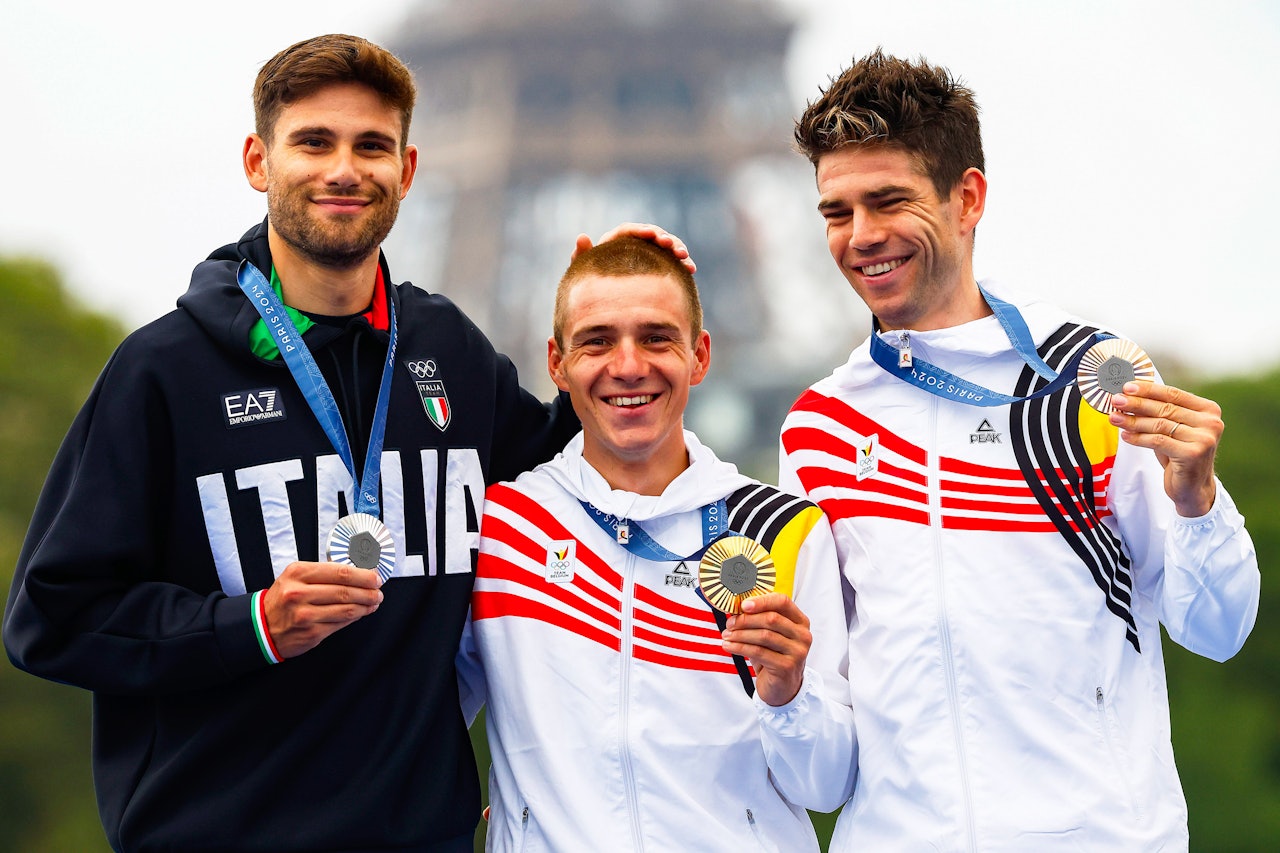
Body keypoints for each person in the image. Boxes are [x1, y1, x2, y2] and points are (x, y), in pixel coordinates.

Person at [2, 34, 686, 852]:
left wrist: (621, 327)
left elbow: (580, 474)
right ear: (259, 161)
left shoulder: (449, 353)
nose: (344, 169)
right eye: (313, 142)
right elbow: (51, 617)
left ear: (409, 167)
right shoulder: (163, 372)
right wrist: (250, 624)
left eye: (371, 145)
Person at [779, 49, 1261, 851]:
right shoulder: (817, 429)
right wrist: (784, 694)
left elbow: (1217, 629)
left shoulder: (1091, 375)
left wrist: (1198, 503)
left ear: (967, 198)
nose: (861, 236)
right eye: (837, 211)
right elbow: (825, 771)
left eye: (888, 200)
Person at [455, 236, 857, 851]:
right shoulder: (500, 527)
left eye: (656, 337)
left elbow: (826, 786)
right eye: (596, 340)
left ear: (699, 356)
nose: (628, 365)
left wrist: (789, 694)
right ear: (556, 363)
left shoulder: (783, 527)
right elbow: (423, 721)